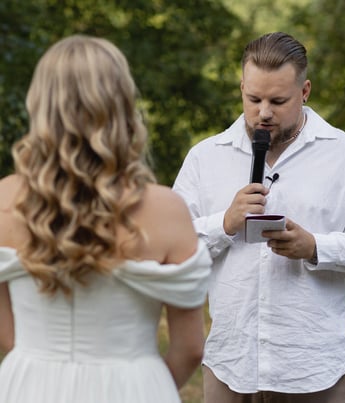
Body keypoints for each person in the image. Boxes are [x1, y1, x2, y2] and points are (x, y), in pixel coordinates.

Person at [173, 32, 345, 403]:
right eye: (253, 99)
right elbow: (173, 248)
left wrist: (315, 247)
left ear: (304, 91)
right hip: (231, 367)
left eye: (278, 101)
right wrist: (224, 224)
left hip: (314, 370)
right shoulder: (204, 158)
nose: (264, 112)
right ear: (242, 88)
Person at [0, 34, 212, 403]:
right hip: (134, 389)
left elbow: (7, 333)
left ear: (40, 105)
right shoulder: (167, 209)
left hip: (30, 386)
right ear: (122, 106)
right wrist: (146, 387)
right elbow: (190, 348)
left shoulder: (4, 199)